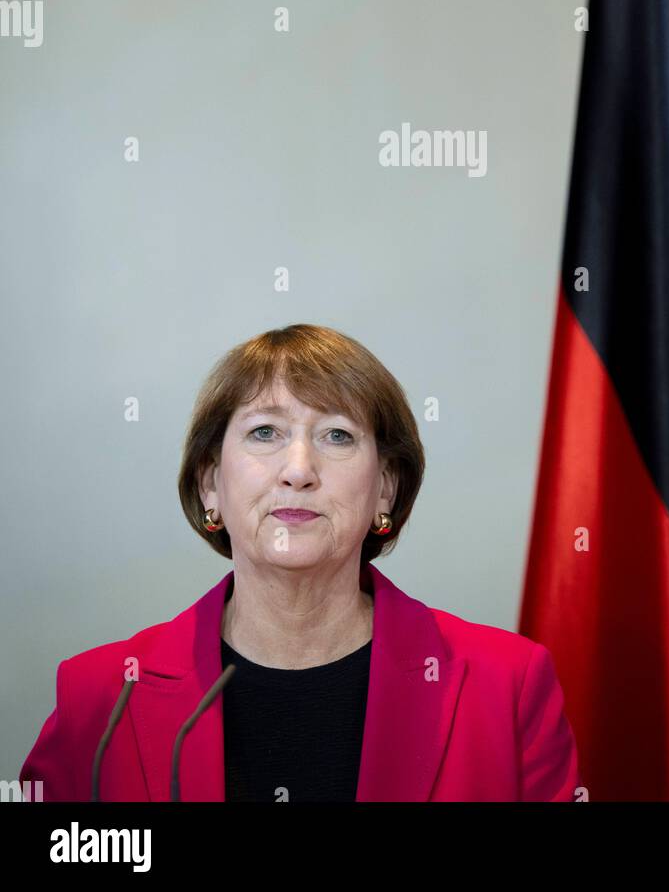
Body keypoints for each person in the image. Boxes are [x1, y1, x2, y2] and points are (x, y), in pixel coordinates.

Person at [19, 323, 580, 801]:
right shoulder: (99, 696)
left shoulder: (507, 687)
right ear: (210, 483)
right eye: (265, 432)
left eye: (337, 435)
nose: (298, 469)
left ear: (385, 489)